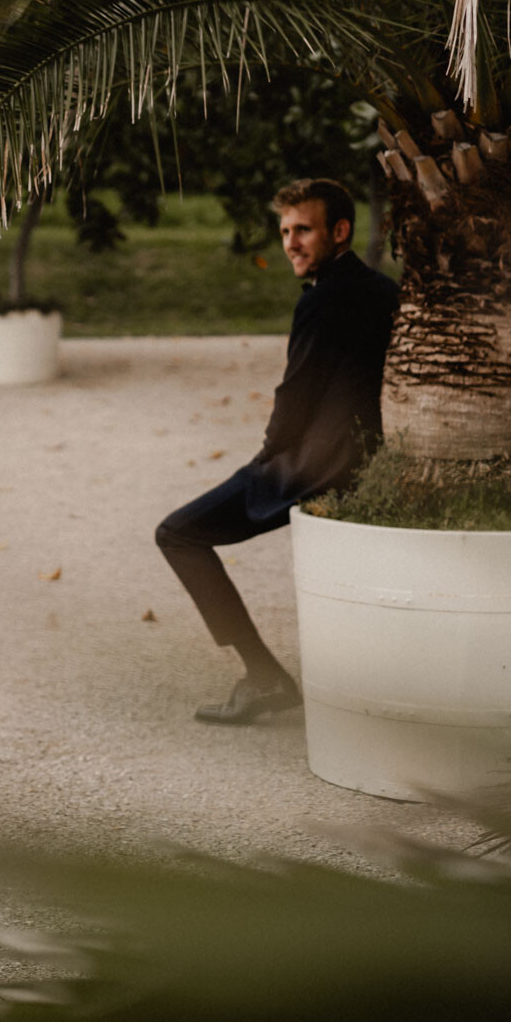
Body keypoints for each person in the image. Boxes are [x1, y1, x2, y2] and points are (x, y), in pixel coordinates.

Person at [156, 178, 398, 726]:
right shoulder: (382, 289)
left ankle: (262, 676)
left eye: (303, 229)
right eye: (286, 231)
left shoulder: (321, 302)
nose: (290, 242)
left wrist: (264, 462)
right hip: (367, 454)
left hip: (320, 463)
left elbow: (296, 397)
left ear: (339, 231)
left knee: (177, 533)